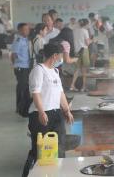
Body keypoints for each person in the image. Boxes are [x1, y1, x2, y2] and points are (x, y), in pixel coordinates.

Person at [22, 43, 74, 177]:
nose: (62, 58)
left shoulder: (55, 71)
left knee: (59, 146)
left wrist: (67, 110)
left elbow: (60, 93)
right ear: (55, 56)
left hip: (56, 113)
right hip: (40, 114)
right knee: (39, 149)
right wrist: (41, 112)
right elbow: (35, 93)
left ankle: (58, 173)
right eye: (61, 55)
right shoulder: (39, 70)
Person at [11, 23, 32, 117]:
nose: (27, 31)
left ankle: (23, 106)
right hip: (21, 67)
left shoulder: (26, 39)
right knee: (22, 88)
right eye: (25, 29)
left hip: (26, 66)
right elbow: (14, 54)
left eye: (28, 29)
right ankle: (20, 108)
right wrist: (16, 65)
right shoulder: (18, 40)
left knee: (24, 87)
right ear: (20, 30)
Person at [71, 19, 91, 91]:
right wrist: (92, 40)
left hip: (76, 51)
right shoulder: (85, 31)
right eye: (88, 24)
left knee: (77, 69)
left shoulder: (74, 30)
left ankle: (72, 85)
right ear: (86, 24)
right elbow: (87, 43)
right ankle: (83, 87)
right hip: (84, 50)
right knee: (84, 69)